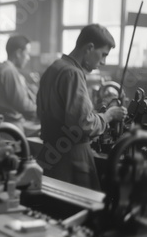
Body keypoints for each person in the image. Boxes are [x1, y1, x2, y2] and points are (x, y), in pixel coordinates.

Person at [36, 24, 127, 190]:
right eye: (103, 55)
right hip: (72, 159)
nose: (103, 62)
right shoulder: (73, 73)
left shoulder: (54, 68)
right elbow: (83, 124)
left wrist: (96, 112)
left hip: (49, 154)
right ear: (90, 48)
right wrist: (108, 116)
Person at [0, 35, 36, 132]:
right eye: (27, 54)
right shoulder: (9, 71)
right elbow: (22, 104)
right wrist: (41, 110)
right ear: (18, 53)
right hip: (10, 126)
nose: (28, 58)